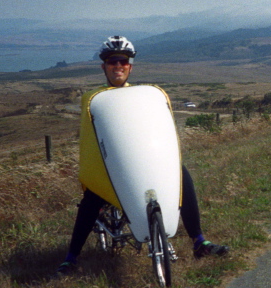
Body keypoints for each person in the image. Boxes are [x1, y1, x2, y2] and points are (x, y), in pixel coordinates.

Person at [57, 35, 228, 275]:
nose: (118, 66)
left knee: (181, 175)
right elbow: (91, 140)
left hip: (140, 160)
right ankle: (71, 258)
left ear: (130, 66)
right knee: (91, 199)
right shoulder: (93, 99)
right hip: (108, 165)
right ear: (103, 66)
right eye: (112, 61)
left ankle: (199, 242)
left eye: (123, 61)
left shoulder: (142, 97)